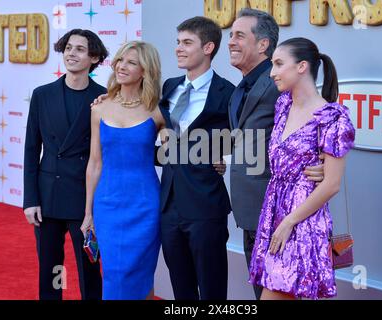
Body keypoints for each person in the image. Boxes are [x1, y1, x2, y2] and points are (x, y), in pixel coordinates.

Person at [227, 8, 325, 299]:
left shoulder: (282, 84)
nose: (231, 41)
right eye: (230, 34)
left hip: (278, 212)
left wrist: (320, 162)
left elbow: (317, 119)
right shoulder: (238, 90)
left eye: (239, 36)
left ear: (262, 45)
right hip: (248, 212)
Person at [248, 37, 355, 300]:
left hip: (302, 221)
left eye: (278, 64)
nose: (272, 72)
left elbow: (331, 184)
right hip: (274, 212)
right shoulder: (283, 105)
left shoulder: (333, 117)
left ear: (302, 66)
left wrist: (289, 222)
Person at [23, 29, 108, 300]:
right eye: (68, 48)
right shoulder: (42, 95)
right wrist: (30, 199)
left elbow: (105, 154)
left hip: (85, 199)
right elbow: (31, 149)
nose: (71, 54)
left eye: (80, 49)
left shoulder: (104, 98)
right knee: (52, 268)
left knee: (89, 268)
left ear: (93, 57)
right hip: (48, 196)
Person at [157, 16, 234, 300]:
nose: (178, 48)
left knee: (213, 291)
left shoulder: (228, 93)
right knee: (181, 290)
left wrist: (221, 156)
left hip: (205, 205)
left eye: (187, 42)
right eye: (178, 42)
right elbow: (162, 130)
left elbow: (243, 138)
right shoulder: (170, 86)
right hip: (169, 204)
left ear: (208, 47)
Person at [82, 41, 165, 300]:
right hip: (107, 205)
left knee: (141, 274)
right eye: (120, 60)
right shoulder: (99, 108)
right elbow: (95, 163)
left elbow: (177, 150)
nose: (121, 66)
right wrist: (88, 212)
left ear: (145, 71)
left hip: (145, 206)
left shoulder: (158, 110)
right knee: (114, 274)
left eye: (131, 62)